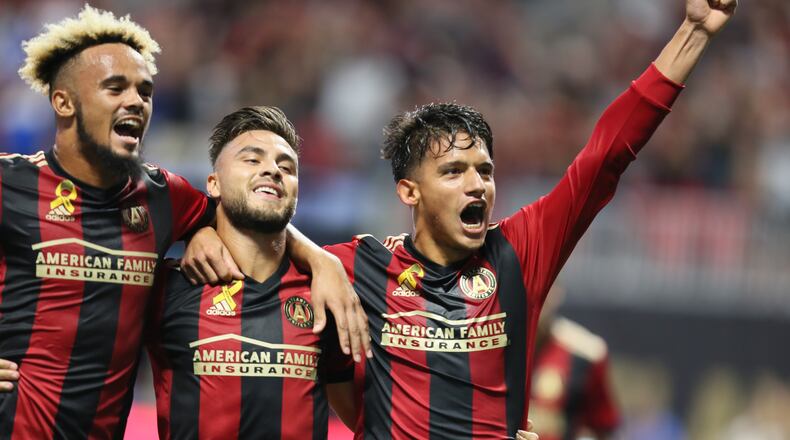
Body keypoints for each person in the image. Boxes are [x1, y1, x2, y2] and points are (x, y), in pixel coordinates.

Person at [185, 0, 737, 438]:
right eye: (452, 171)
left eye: (485, 170)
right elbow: (257, 230)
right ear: (410, 191)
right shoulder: (361, 267)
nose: (477, 184)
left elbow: (606, 156)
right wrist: (206, 226)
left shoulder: (518, 252)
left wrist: (693, 32)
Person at [0, 6, 368, 438]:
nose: (135, 101)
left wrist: (320, 260)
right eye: (115, 87)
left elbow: (246, 210)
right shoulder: (11, 183)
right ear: (63, 101)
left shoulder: (160, 196)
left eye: (145, 90)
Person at [146, 106, 355, 439]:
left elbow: (363, 419)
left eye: (286, 166)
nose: (272, 170)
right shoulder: (167, 288)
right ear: (213, 184)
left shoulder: (324, 294)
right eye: (252, 160)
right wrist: (196, 230)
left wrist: (323, 261)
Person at [529, 284, 619, 440]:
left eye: (541, 289)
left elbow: (603, 428)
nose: (532, 300)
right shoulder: (485, 345)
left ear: (556, 292)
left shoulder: (586, 352)